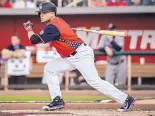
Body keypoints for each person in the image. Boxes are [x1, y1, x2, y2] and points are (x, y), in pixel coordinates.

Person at [23, 2, 135, 112]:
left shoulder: (54, 26)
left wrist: (28, 28)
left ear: (52, 14)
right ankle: (57, 100)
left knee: (94, 81)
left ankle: (126, 99)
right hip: (71, 57)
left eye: (43, 12)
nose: (41, 15)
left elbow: (34, 39)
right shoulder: (58, 22)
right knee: (50, 68)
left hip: (81, 55)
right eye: (40, 13)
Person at [99, 24, 127, 88]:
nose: (110, 32)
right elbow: (100, 48)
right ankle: (110, 98)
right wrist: (105, 48)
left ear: (115, 30)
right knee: (108, 85)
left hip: (121, 63)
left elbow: (118, 48)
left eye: (111, 30)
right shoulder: (104, 36)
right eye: (109, 30)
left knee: (121, 85)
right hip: (110, 63)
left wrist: (111, 40)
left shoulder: (119, 36)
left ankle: (122, 98)